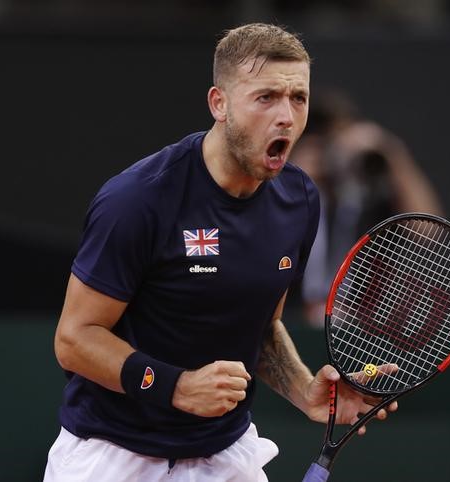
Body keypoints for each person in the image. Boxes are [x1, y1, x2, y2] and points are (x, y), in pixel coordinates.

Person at [43, 23, 397, 482]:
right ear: (219, 104)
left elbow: (263, 327)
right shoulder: (139, 200)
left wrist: (303, 389)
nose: (286, 117)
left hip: (224, 455)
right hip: (113, 455)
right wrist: (178, 387)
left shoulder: (299, 201)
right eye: (266, 97)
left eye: (298, 98)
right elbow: (74, 339)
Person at [291, 91, 443, 326]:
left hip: (359, 330)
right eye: (323, 145)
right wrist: (289, 179)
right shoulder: (287, 195)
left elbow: (427, 229)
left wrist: (392, 154)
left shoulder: (368, 200)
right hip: (289, 325)